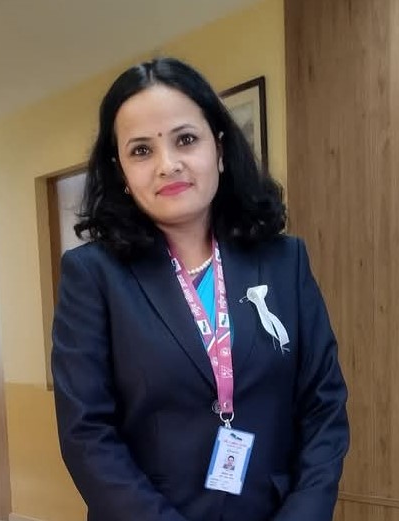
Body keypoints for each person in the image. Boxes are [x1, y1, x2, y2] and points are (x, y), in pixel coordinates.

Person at [52, 57, 349, 521]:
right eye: (141, 150)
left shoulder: (284, 262)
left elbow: (323, 407)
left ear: (220, 149)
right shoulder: (92, 276)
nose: (168, 165)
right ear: (121, 172)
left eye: (186, 140)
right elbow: (87, 434)